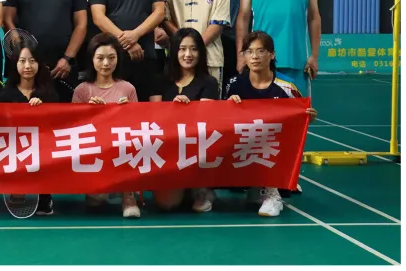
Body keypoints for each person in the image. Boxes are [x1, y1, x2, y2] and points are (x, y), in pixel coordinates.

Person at [225, 31, 318, 217]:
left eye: (261, 51)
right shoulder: (233, 85)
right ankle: (256, 187)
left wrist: (309, 116)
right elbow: (219, 121)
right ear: (244, 56)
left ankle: (273, 193)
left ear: (272, 54)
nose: (255, 57)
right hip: (242, 147)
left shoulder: (287, 86)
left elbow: (299, 123)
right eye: (249, 52)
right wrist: (227, 107)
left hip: (273, 149)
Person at [147, 28, 220, 214]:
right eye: (182, 49)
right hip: (168, 147)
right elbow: (154, 119)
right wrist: (173, 110)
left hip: (195, 146)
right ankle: (184, 188)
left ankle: (202, 189)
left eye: (193, 49)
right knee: (167, 204)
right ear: (174, 51)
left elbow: (205, 122)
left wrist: (187, 111)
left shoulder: (209, 82)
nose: (188, 54)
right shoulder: (159, 81)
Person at [73, 33, 141, 218]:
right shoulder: (82, 90)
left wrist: (126, 113)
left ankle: (128, 195)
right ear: (92, 59)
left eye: (111, 58)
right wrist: (89, 113)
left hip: (121, 148)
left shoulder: (128, 88)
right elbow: (74, 129)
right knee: (95, 201)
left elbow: (138, 127)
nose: (106, 63)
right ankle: (108, 188)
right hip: (95, 151)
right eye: (100, 58)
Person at [0, 45, 58, 216]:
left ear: (40, 64)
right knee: (17, 193)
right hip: (14, 148)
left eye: (32, 61)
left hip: (42, 148)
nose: (27, 66)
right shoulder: (5, 95)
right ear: (15, 64)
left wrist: (42, 109)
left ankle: (44, 195)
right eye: (22, 61)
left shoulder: (49, 94)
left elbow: (56, 125)